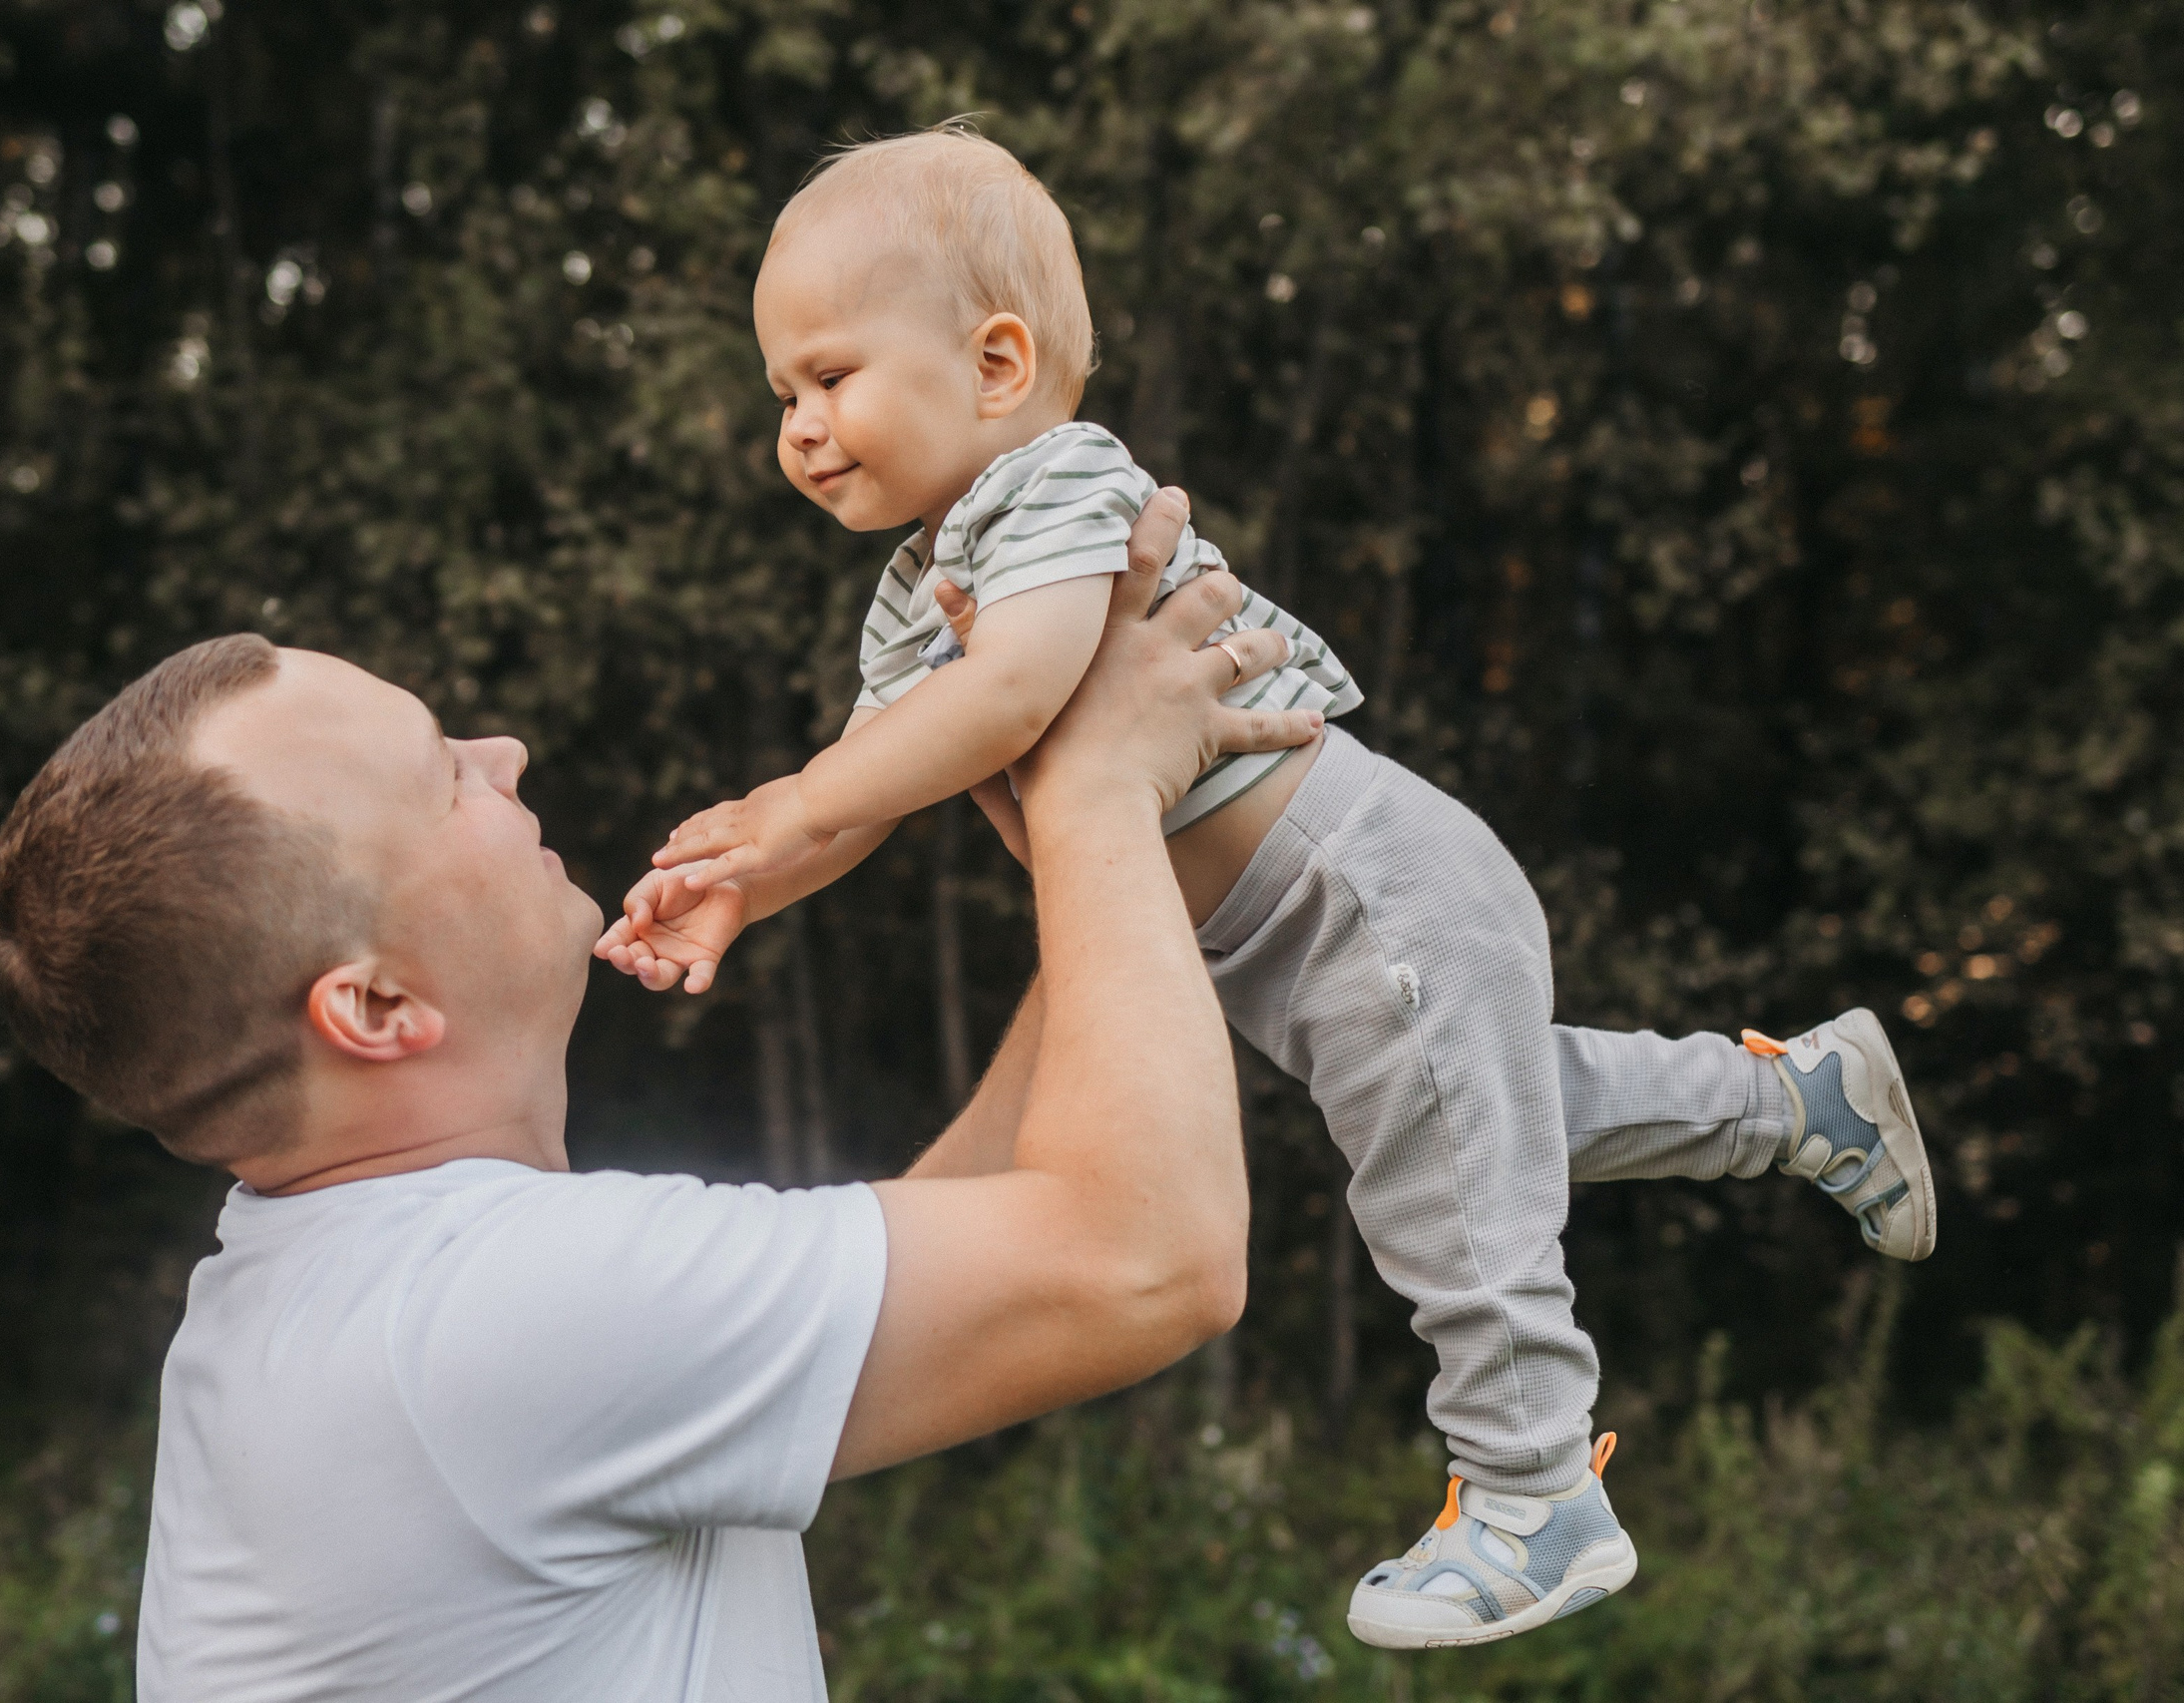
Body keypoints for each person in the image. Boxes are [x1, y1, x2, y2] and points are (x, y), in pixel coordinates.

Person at [593, 123, 1941, 1649]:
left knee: (1446, 1184)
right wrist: (749, 877)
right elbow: (876, 778)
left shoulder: (1055, 484)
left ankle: (1533, 1487)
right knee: (1501, 1119)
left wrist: (786, 804)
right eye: (781, 395)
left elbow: (1016, 693)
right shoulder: (920, 586)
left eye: (829, 377)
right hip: (1295, 944)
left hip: (1370, 888)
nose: (798, 427)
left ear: (996, 363)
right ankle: (1802, 1104)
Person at [0, 499, 1327, 1700]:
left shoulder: (360, 1297)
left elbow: (989, 1240)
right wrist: (1099, 794)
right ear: (376, 1008)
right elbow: (1146, 1259)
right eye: (444, 774)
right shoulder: (489, 1314)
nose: (504, 751)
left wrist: (1115, 835)